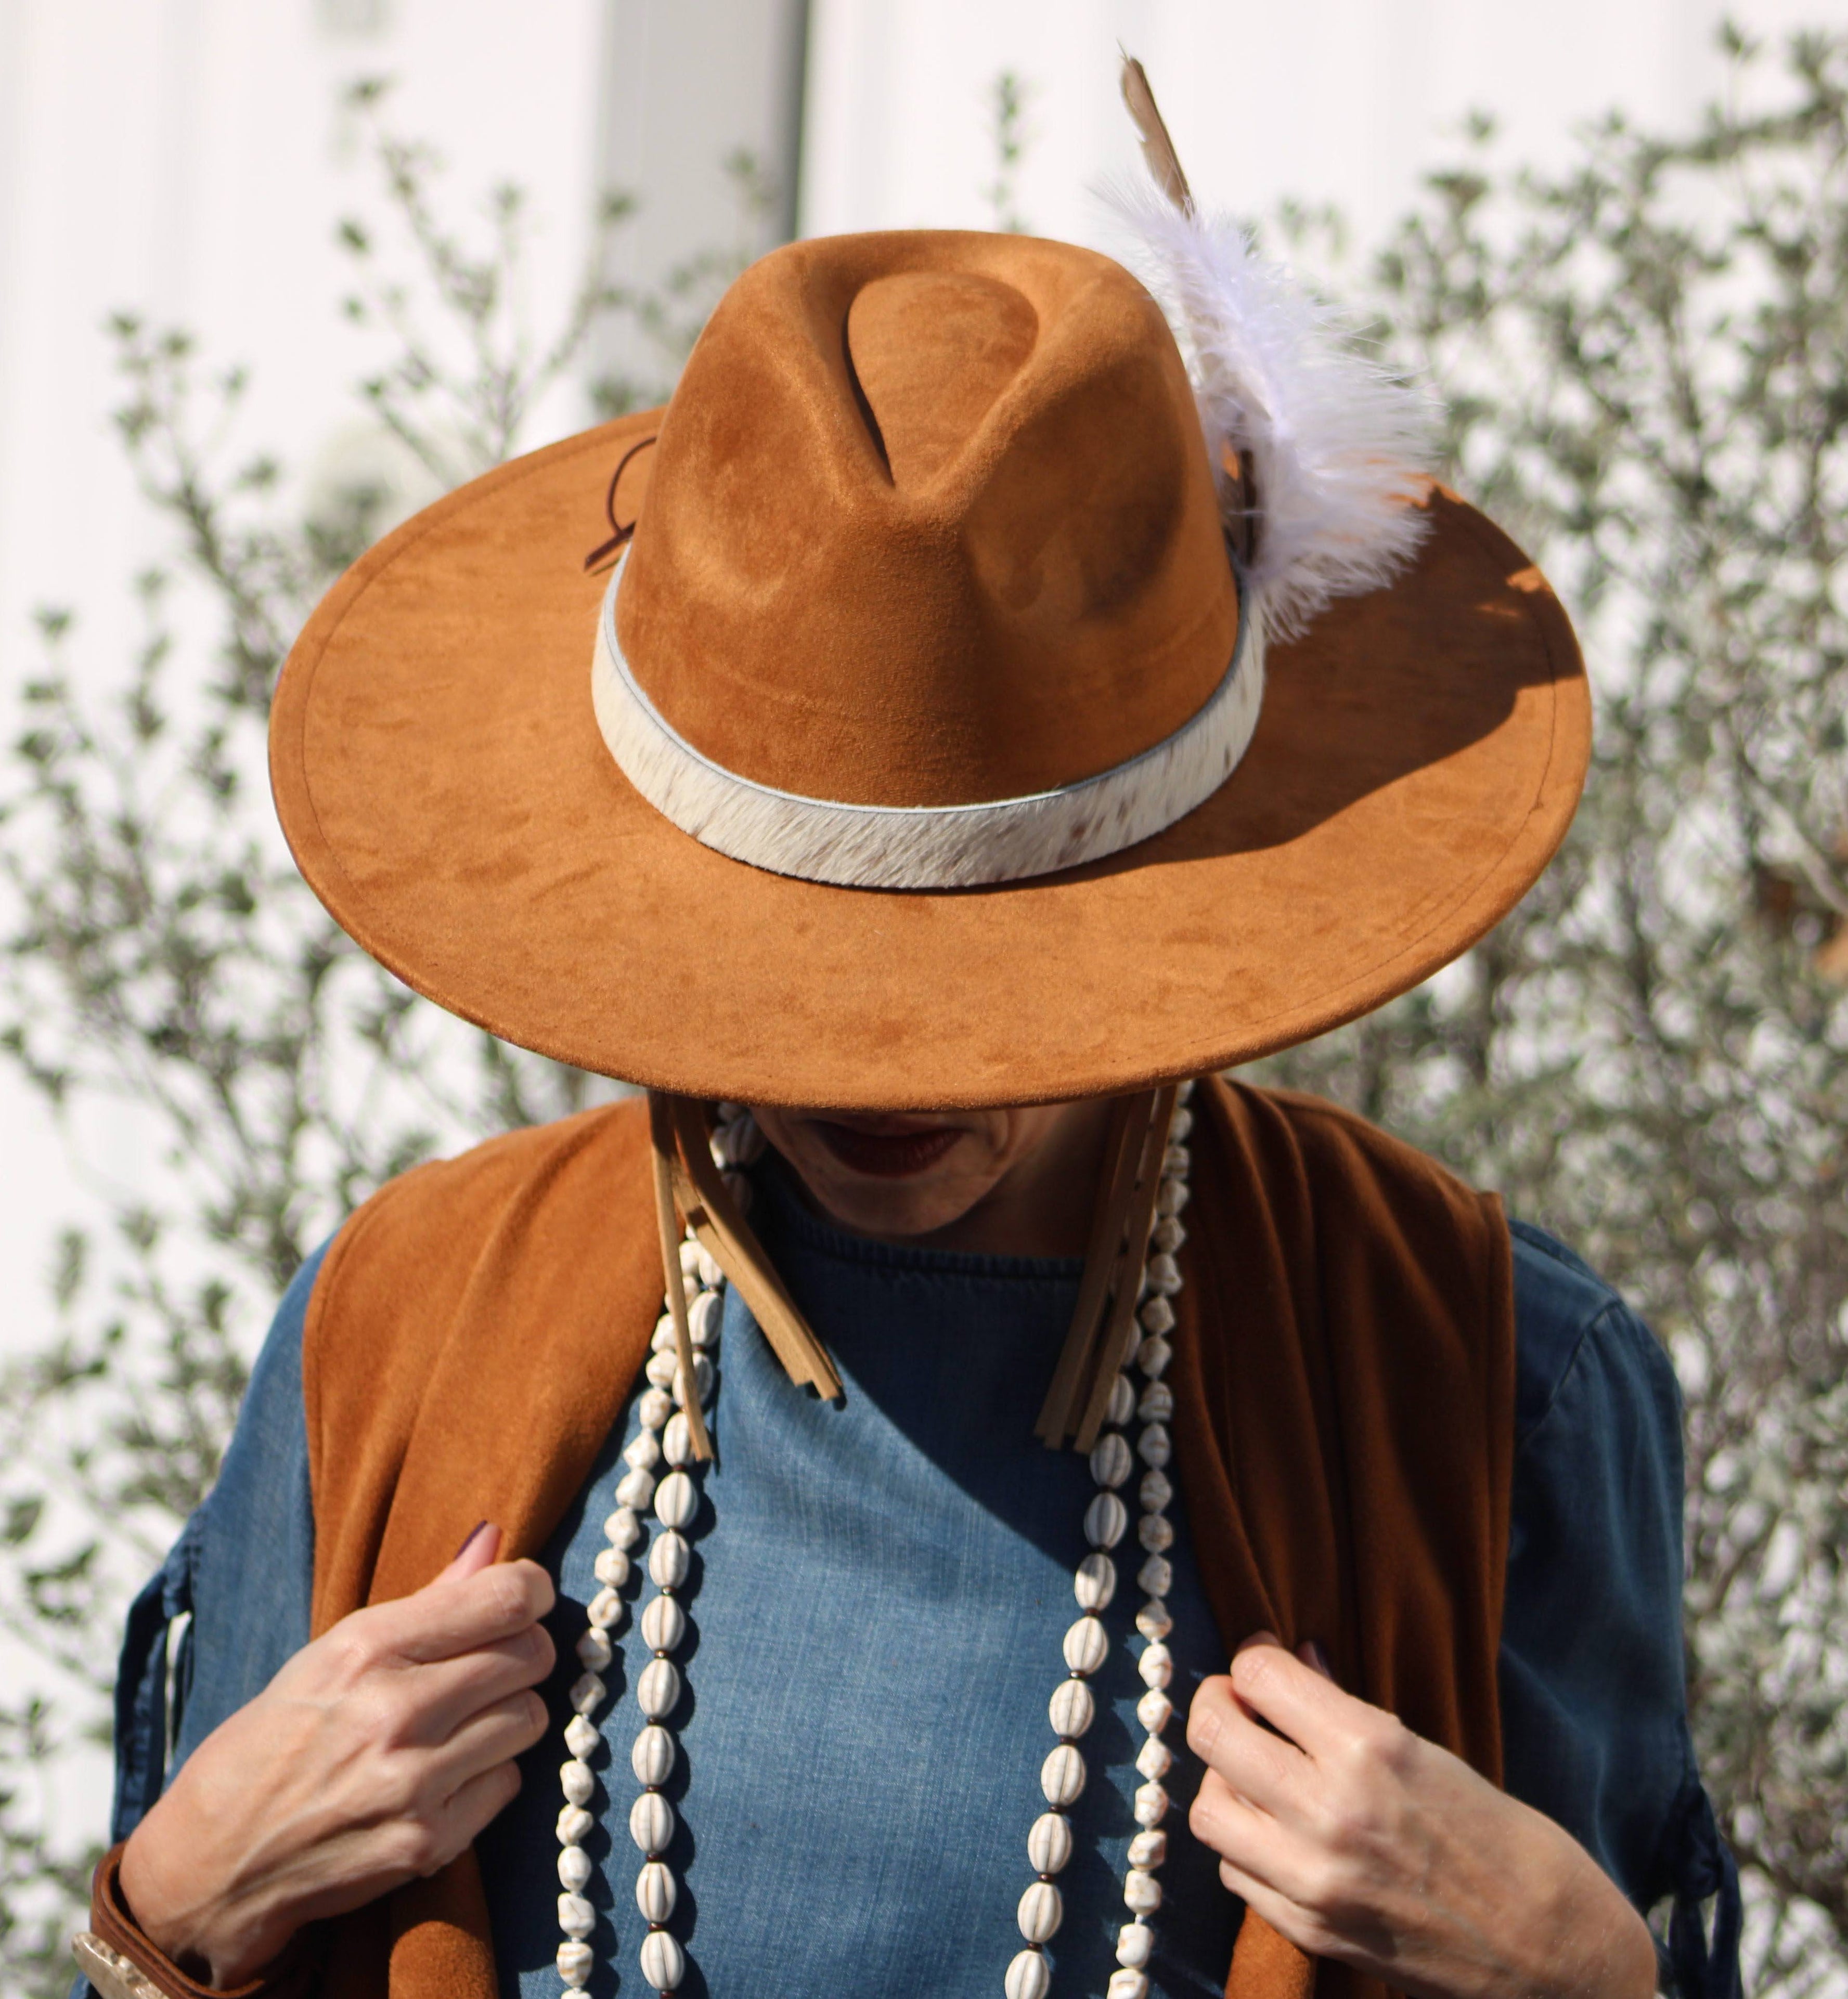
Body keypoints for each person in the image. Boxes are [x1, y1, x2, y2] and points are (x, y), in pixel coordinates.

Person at [74, 154, 1742, 1999]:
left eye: (986, 959)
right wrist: (180, 1905)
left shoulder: (1482, 1372)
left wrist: (1589, 1974)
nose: (877, 1061)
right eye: (805, 948)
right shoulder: (402, 1332)